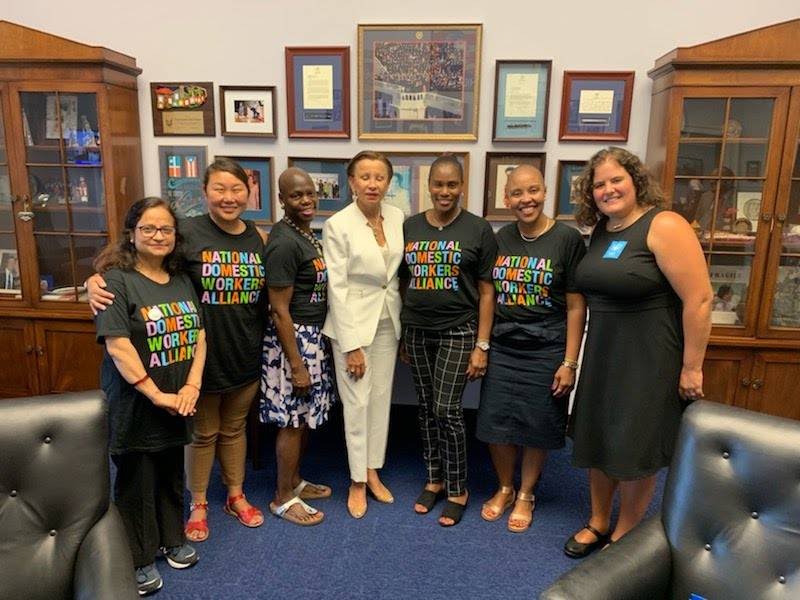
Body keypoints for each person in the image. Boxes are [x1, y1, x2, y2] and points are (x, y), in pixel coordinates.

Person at [88, 158, 268, 543]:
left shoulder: (257, 237)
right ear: (204, 192)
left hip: (243, 351)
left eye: (237, 189)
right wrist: (93, 282)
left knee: (234, 429)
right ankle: (198, 503)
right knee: (203, 433)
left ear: (249, 193)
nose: (228, 197)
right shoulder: (184, 231)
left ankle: (235, 495)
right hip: (194, 361)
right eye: (219, 188)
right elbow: (128, 262)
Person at [565, 147, 712, 557]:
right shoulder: (601, 231)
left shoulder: (664, 225)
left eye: (616, 180)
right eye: (599, 184)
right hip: (605, 352)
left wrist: (692, 367)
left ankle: (625, 531)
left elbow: (699, 299)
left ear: (636, 181)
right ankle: (597, 520)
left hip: (650, 356)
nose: (608, 190)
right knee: (598, 434)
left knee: (634, 442)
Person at [93, 197, 206, 596]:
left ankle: (172, 539)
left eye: (166, 230)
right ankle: (136, 559)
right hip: (136, 403)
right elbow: (118, 345)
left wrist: (191, 386)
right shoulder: (114, 281)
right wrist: (156, 393)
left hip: (179, 400)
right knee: (136, 481)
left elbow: (200, 336)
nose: (158, 236)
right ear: (132, 233)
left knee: (172, 472)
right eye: (148, 229)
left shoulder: (181, 279)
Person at [476, 165, 587, 533]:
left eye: (534, 190)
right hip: (505, 346)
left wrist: (570, 362)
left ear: (545, 191)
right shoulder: (500, 238)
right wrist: (483, 345)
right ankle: (505, 486)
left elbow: (575, 306)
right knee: (496, 423)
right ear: (507, 199)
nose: (527, 200)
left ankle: (526, 492)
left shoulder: (567, 240)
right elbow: (488, 296)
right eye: (518, 193)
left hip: (546, 346)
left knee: (537, 423)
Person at [400, 154, 498, 527]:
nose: (445, 191)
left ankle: (458, 488)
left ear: (462, 186)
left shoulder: (478, 229)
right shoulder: (410, 227)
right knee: (425, 408)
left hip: (459, 329)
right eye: (438, 184)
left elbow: (487, 291)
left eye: (452, 184)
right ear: (429, 186)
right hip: (417, 329)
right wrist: (404, 332)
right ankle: (434, 479)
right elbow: (403, 280)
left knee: (447, 409)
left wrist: (482, 344)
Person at [322, 151, 405, 519]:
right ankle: (356, 481)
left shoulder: (398, 216)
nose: (373, 184)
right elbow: (336, 288)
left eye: (380, 177)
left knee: (380, 399)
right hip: (352, 325)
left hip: (388, 319)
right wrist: (351, 344)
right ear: (352, 182)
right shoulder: (338, 225)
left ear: (389, 182)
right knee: (356, 402)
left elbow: (392, 275)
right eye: (365, 177)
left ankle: (373, 470)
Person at [260, 167, 336, 526]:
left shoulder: (304, 233)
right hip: (294, 342)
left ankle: (294, 481)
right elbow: (279, 309)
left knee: (303, 418)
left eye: (309, 193)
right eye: (295, 196)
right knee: (291, 421)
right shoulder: (283, 241)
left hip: (312, 338)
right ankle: (282, 497)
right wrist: (296, 364)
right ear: (282, 200)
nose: (305, 201)